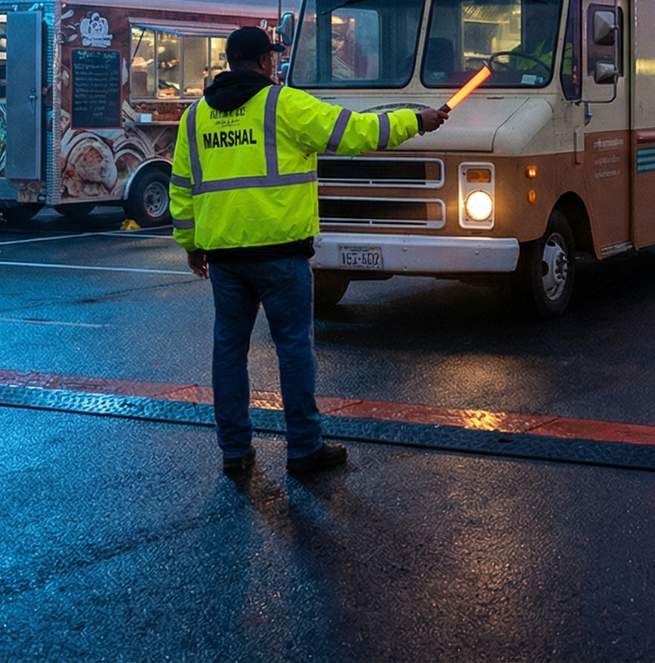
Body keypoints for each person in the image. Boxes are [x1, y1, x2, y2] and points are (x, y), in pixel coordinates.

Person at [172, 26, 449, 477]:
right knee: (294, 350)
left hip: (224, 257)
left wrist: (190, 245)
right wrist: (416, 120)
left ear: (228, 61)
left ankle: (235, 452)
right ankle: (303, 449)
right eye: (273, 59)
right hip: (280, 254)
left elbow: (181, 189)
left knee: (228, 353)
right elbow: (355, 133)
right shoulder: (284, 104)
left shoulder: (195, 117)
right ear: (264, 61)